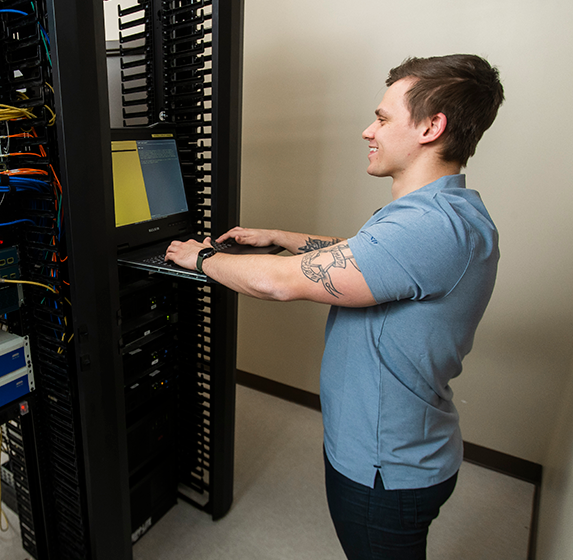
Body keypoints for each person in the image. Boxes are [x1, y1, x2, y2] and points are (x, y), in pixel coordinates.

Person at [164, 54, 505, 559]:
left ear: (432, 126)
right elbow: (364, 256)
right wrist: (281, 236)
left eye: (384, 119)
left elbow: (278, 285)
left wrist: (202, 258)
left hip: (384, 471)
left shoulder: (430, 228)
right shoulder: (438, 215)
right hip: (404, 449)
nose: (369, 131)